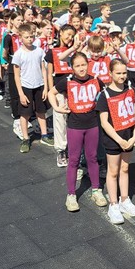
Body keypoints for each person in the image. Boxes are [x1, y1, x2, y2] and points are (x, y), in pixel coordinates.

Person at [49, 52, 108, 212]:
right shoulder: (67, 81)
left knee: (92, 158)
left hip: (92, 124)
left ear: (88, 64)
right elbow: (51, 93)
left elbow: (107, 95)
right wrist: (57, 108)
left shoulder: (96, 80)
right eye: (77, 66)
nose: (81, 68)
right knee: (74, 160)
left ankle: (96, 190)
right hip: (75, 126)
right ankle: (71, 194)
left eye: (83, 65)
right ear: (72, 67)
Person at [96, 59, 135, 225]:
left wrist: (134, 135)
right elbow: (104, 122)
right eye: (118, 73)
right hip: (114, 139)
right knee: (113, 171)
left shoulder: (131, 91)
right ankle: (113, 204)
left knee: (125, 168)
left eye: (124, 73)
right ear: (111, 73)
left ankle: (124, 199)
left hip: (129, 136)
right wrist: (119, 140)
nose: (122, 76)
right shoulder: (104, 95)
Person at [12, 22, 52, 153]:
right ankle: (25, 138)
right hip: (26, 87)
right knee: (25, 114)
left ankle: (44, 135)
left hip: (39, 85)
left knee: (41, 111)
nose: (30, 39)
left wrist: (45, 87)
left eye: (32, 36)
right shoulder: (18, 54)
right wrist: (21, 94)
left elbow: (43, 69)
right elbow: (16, 75)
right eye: (27, 37)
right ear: (20, 38)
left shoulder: (39, 51)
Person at [45, 25, 81, 168]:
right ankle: (61, 150)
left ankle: (73, 149)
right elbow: (49, 73)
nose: (70, 38)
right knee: (60, 121)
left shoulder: (75, 51)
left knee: (73, 121)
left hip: (73, 91)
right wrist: (50, 91)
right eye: (68, 34)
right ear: (60, 33)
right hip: (59, 91)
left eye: (72, 35)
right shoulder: (52, 52)